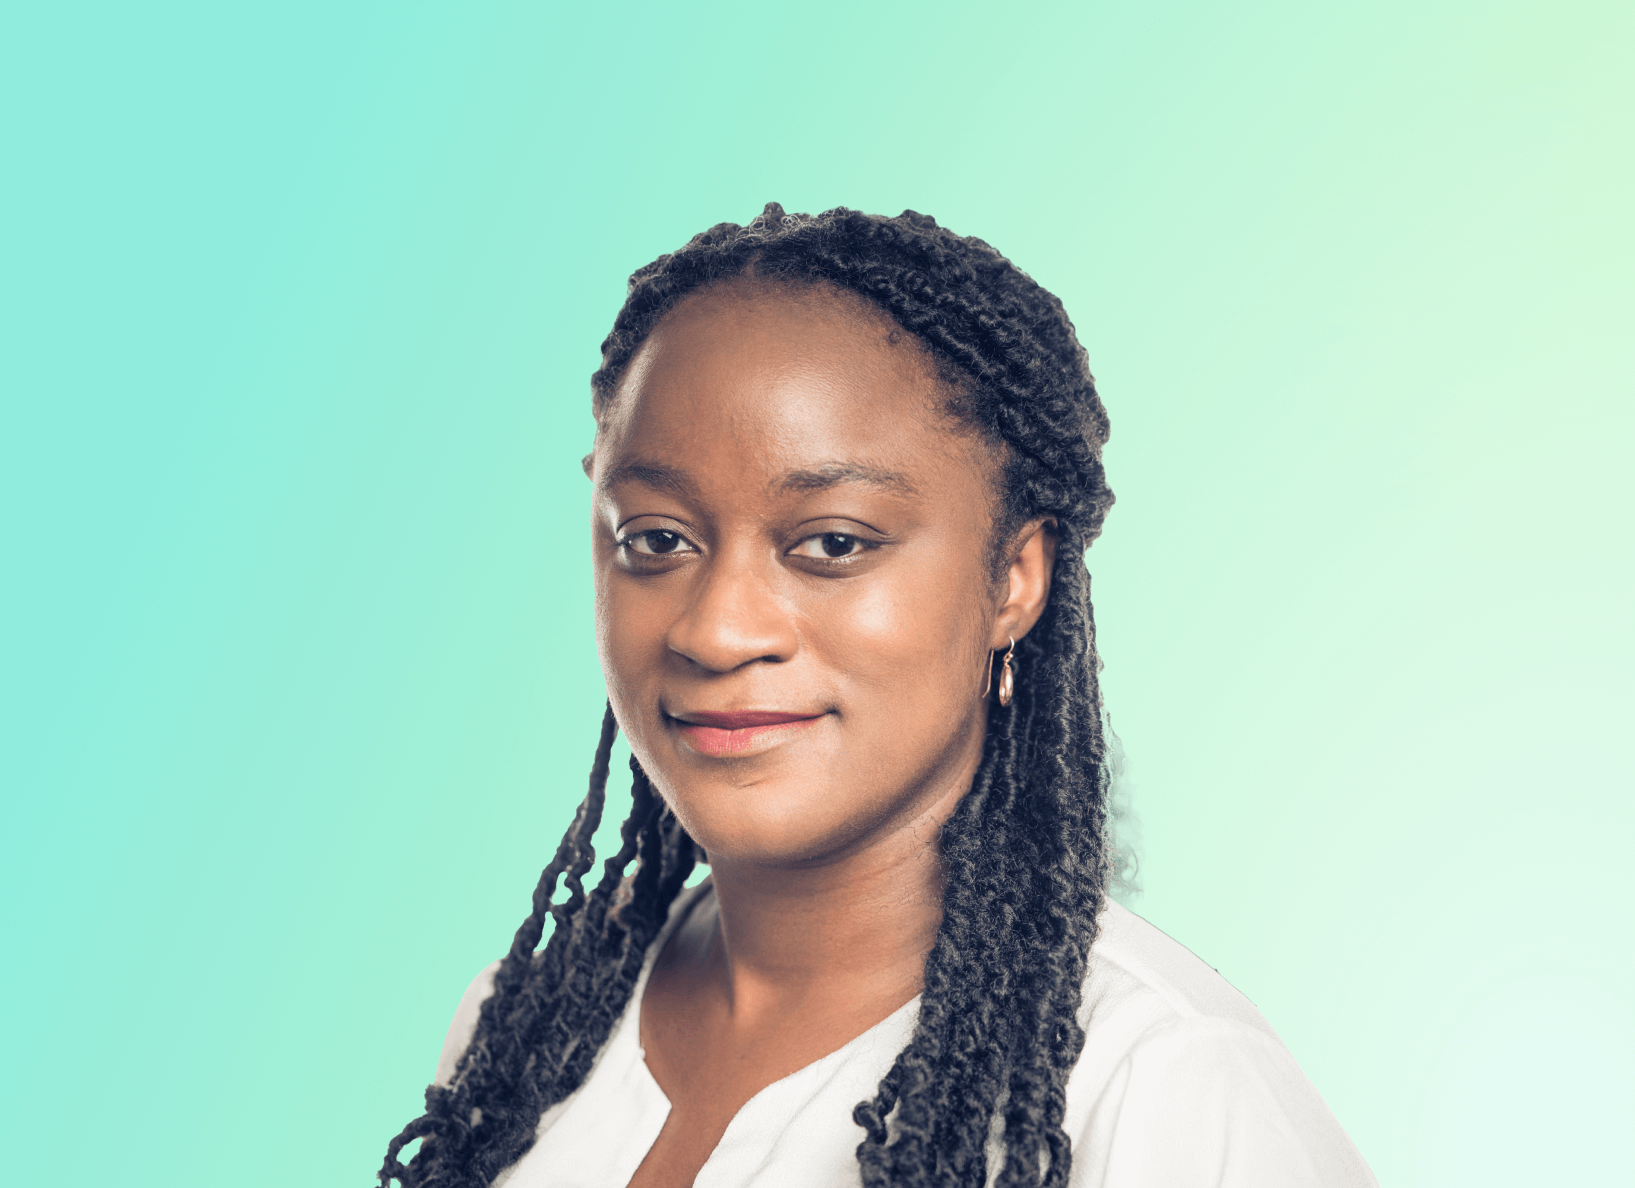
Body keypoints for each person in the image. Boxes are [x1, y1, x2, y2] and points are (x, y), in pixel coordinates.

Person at [378, 205, 1378, 1188]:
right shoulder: (526, 1028)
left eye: (832, 543)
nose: (717, 630)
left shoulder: (1165, 1088)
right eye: (657, 539)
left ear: (1013, 578)